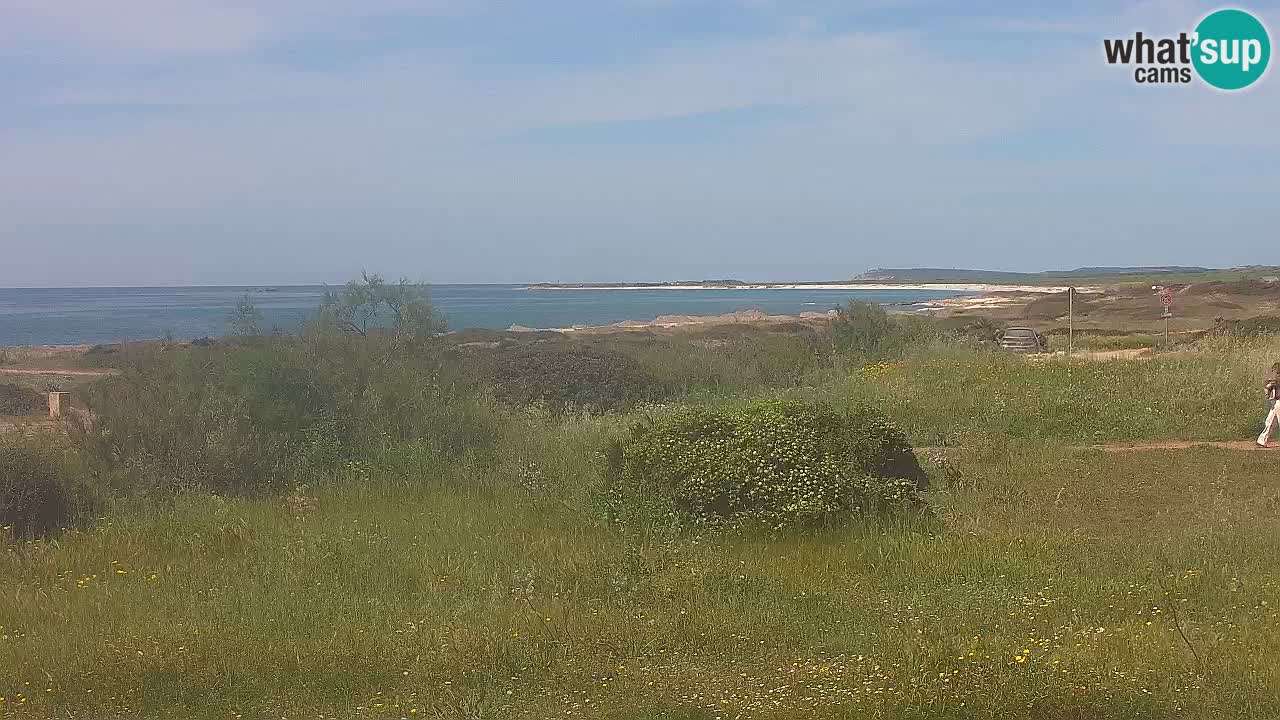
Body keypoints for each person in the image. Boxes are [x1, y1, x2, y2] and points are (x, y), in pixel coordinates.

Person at [1258, 363, 1280, 447]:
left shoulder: (1276, 381)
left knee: (1270, 421)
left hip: (1278, 402)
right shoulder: (1275, 381)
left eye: (1276, 372)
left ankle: (1262, 440)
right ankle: (1262, 440)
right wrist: (1268, 395)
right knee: (1269, 421)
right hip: (1276, 403)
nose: (1275, 374)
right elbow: (1267, 387)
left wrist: (1267, 394)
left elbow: (1268, 387)